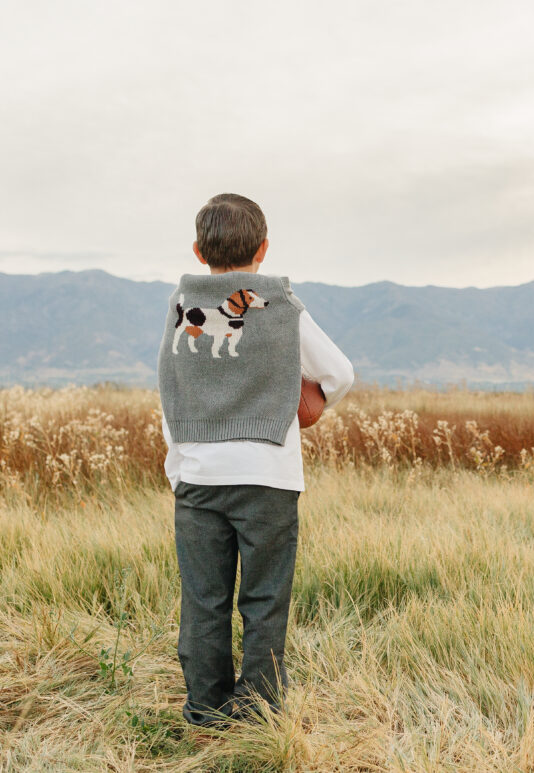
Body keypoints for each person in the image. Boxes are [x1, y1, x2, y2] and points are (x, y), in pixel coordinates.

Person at [156, 193, 355, 728]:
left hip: (197, 476)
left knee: (204, 600)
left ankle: (204, 709)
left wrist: (179, 468)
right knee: (264, 599)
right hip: (269, 476)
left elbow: (169, 394)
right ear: (264, 249)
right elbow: (339, 373)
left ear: (199, 251)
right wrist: (302, 405)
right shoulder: (282, 306)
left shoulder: (179, 307)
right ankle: (259, 710)